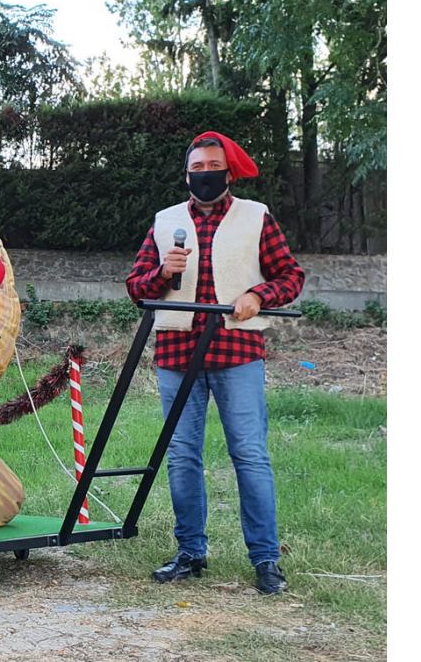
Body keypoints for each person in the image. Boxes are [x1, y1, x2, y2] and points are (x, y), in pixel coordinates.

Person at [124, 131, 305, 595]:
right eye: (197, 168)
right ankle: (190, 552)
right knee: (182, 456)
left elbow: (290, 276)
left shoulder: (256, 217)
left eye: (213, 167)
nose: (205, 175)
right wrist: (163, 273)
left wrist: (257, 295)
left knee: (249, 455)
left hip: (236, 354)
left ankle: (265, 558)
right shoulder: (165, 222)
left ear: (229, 171)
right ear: (187, 174)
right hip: (177, 355)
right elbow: (136, 286)